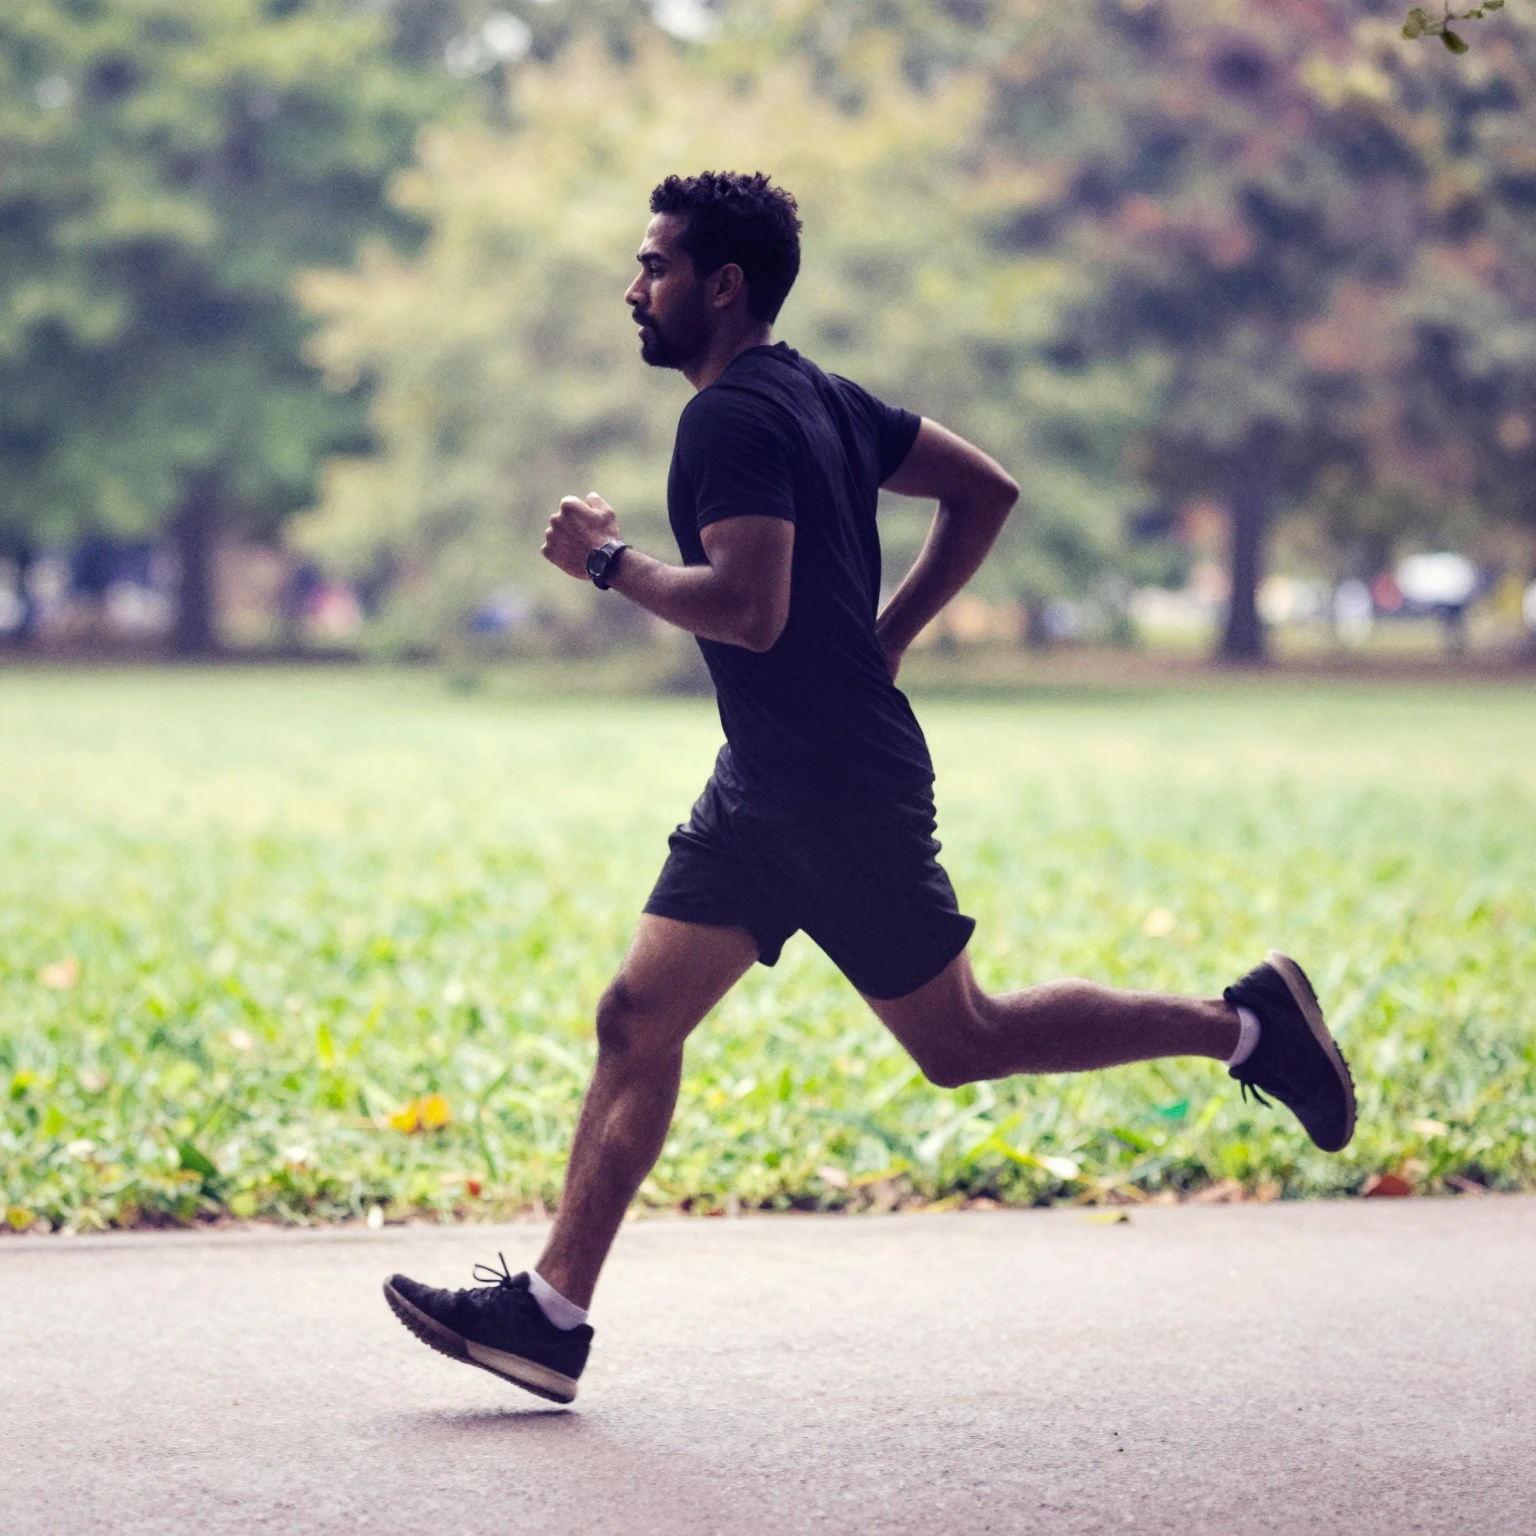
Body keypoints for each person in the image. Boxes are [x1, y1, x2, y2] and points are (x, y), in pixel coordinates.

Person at [383, 171, 1355, 1404]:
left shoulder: (733, 417)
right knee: (636, 1021)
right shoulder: (828, 399)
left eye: (656, 268)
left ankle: (1249, 1025)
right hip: (764, 787)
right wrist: (885, 637)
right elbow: (984, 490)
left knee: (965, 1042)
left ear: (721, 286)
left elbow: (748, 606)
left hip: (837, 792)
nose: (636, 291)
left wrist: (610, 562)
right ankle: (551, 1317)